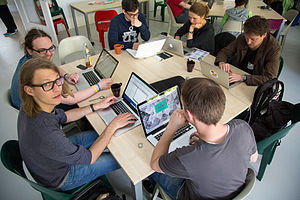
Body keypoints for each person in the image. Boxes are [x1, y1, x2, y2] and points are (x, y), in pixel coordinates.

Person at [18, 57, 137, 190]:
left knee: (102, 135)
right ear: (29, 90)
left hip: (50, 161)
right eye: (47, 84)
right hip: (62, 177)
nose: (57, 89)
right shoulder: (46, 132)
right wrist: (113, 126)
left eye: (57, 80)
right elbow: (90, 158)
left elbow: (64, 116)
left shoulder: (31, 105)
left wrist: (95, 106)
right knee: (122, 158)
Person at [150, 78, 258, 200]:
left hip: (191, 195)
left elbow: (154, 164)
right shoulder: (242, 127)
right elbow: (253, 158)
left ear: (189, 115)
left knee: (149, 171)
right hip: (230, 192)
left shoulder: (188, 156)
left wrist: (171, 127)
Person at [11, 28, 112, 110]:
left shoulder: (29, 59)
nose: (49, 54)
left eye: (51, 48)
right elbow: (70, 99)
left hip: (30, 105)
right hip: (35, 112)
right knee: (87, 102)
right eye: (42, 50)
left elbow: (52, 66)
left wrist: (66, 75)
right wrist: (98, 86)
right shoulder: (36, 73)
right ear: (29, 50)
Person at [215, 15, 281, 86]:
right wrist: (221, 62)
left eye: (253, 39)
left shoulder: (273, 48)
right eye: (246, 37)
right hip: (237, 73)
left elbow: (270, 78)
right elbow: (225, 52)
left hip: (254, 81)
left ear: (264, 35)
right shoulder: (242, 37)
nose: (248, 42)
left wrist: (243, 77)